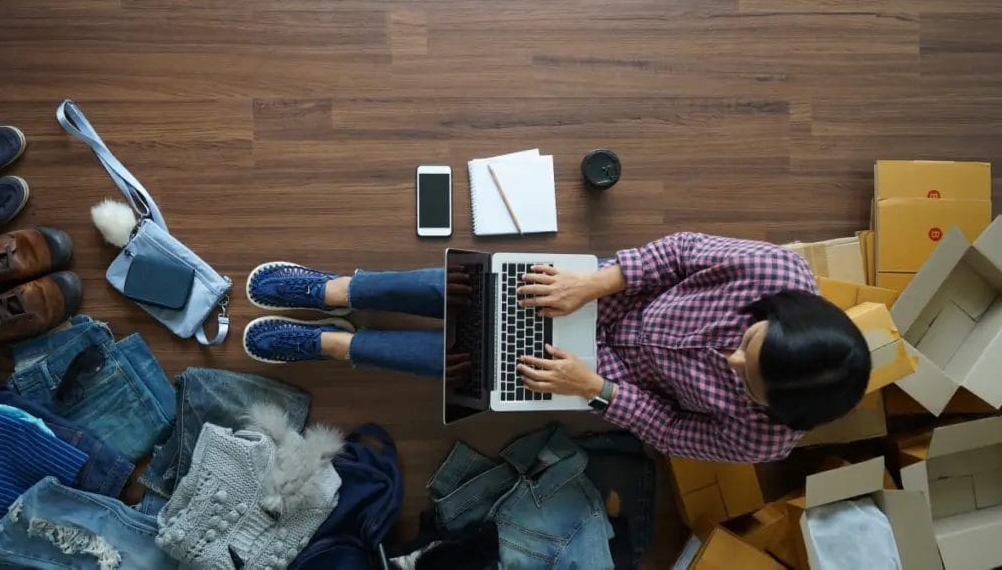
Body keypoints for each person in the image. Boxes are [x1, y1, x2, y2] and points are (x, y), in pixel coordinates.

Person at [243, 232, 871, 463]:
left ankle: (332, 345)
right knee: (466, 288)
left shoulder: (766, 440)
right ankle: (333, 289)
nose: (733, 362)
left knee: (469, 368)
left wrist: (596, 391)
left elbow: (678, 433)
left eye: (748, 382)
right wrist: (590, 283)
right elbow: (679, 252)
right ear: (781, 314)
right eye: (748, 343)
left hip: (601, 375)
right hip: (603, 293)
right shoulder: (780, 275)